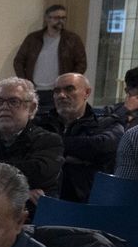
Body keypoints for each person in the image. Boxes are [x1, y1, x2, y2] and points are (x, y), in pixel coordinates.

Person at [34, 73, 123, 202]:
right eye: (57, 91)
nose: (62, 95)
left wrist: (51, 152)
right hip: (43, 200)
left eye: (69, 89)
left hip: (89, 201)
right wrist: (78, 157)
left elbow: (101, 147)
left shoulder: (107, 123)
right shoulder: (40, 123)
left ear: (87, 93)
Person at [13, 5, 86, 109]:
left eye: (63, 18)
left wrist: (69, 82)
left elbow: (81, 63)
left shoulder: (72, 40)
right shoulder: (33, 38)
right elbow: (18, 61)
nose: (60, 21)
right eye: (56, 18)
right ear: (47, 18)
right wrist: (25, 82)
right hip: (34, 90)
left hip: (60, 92)